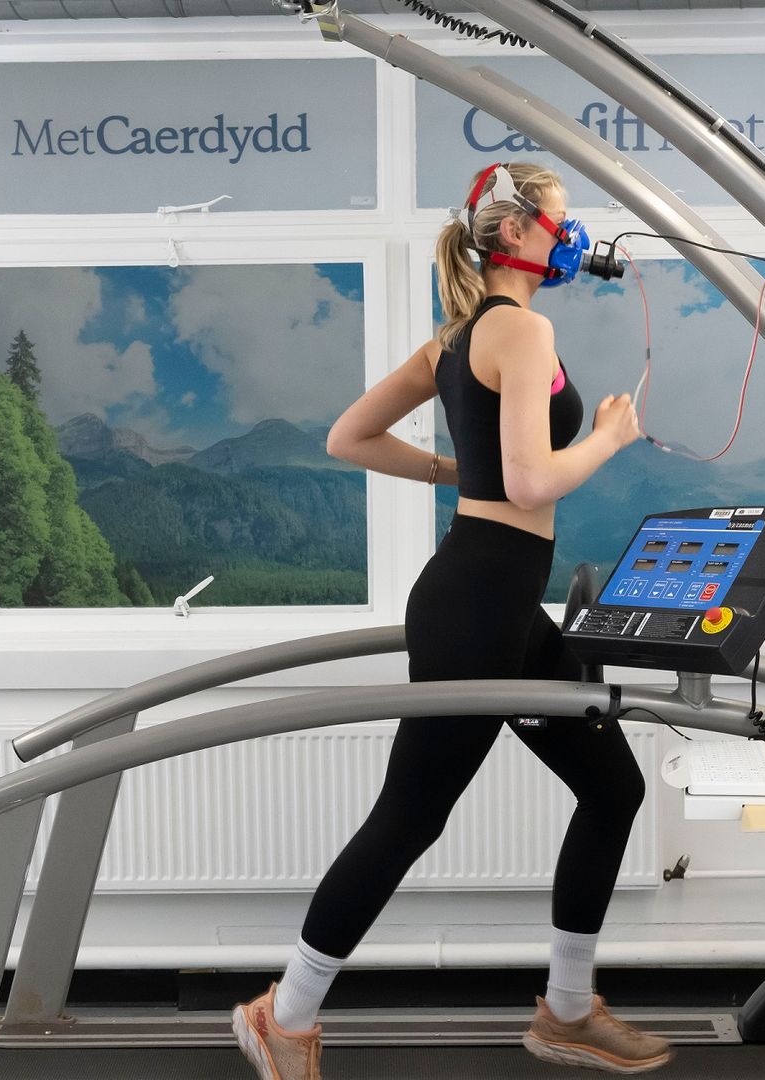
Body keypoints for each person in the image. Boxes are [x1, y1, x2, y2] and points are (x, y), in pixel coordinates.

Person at [231, 163, 669, 1080]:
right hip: (476, 600)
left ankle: (566, 1010)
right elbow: (530, 482)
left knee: (611, 786)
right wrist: (610, 436)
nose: (573, 233)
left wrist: (448, 472)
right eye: (561, 220)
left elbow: (346, 436)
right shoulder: (518, 327)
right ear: (518, 235)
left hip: (504, 598)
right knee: (411, 814)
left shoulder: (455, 341)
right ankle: (284, 1015)